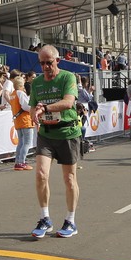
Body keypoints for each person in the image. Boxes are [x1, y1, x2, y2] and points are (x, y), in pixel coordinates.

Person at [29, 46, 82, 239]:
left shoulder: (68, 77)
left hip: (67, 133)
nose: (45, 67)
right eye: (42, 63)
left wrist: (45, 108)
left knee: (69, 179)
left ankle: (70, 220)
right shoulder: (36, 83)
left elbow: (68, 102)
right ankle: (45, 218)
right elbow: (32, 107)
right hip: (46, 134)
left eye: (49, 63)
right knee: (41, 174)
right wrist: (35, 114)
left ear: (57, 61)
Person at [8, 72, 35, 170]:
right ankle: (21, 162)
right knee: (27, 142)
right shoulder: (20, 93)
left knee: (21, 142)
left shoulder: (13, 94)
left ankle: (18, 162)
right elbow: (26, 106)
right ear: (20, 85)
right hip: (25, 120)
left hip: (18, 120)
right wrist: (33, 108)